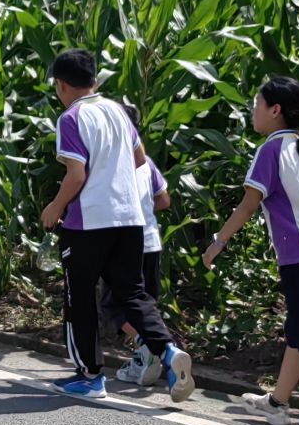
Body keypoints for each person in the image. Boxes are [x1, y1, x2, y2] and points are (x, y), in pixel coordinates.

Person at [39, 49, 192, 399]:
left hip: (89, 222)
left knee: (80, 296)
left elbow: (76, 174)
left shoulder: (71, 118)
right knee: (133, 293)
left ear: (61, 86)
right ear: (94, 79)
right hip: (130, 220)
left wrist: (55, 206)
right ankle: (168, 350)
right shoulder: (118, 113)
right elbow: (139, 158)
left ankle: (91, 376)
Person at [205, 76, 299, 425]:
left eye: (257, 104)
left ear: (275, 110)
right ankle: (277, 404)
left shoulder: (272, 149)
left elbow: (249, 204)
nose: (253, 111)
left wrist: (219, 241)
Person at [105, 101, 173, 387]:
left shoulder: (111, 163)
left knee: (115, 306)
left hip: (124, 243)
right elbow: (164, 199)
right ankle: (148, 354)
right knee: (146, 304)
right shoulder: (147, 164)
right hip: (152, 241)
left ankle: (149, 350)